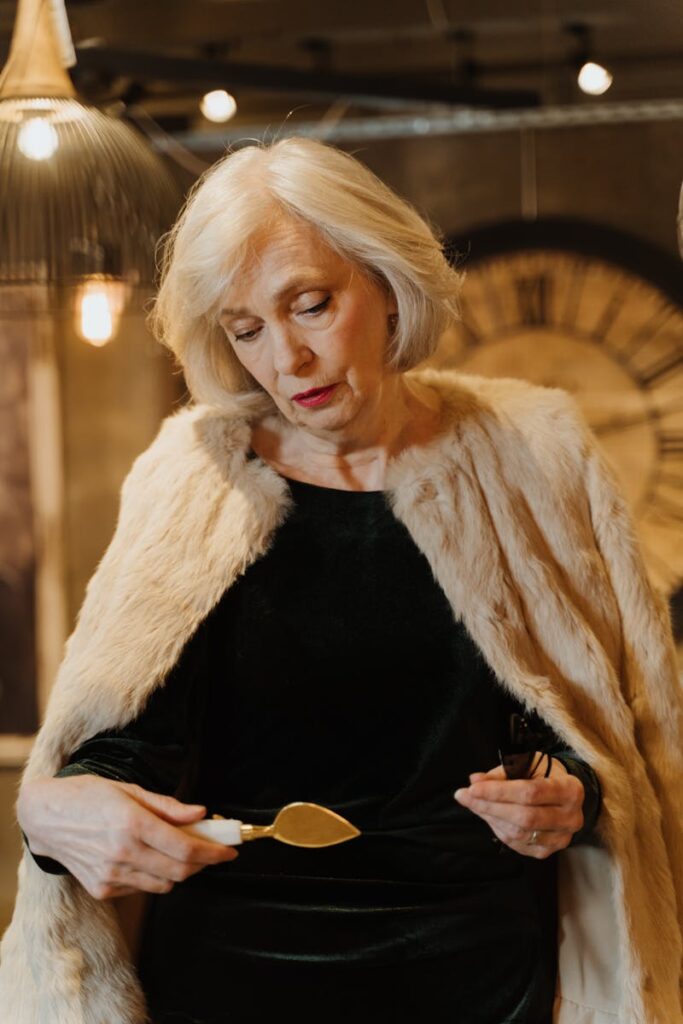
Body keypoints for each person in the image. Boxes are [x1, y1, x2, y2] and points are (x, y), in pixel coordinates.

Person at [1, 137, 682, 1024]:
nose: (287, 359)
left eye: (310, 305)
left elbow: (609, 726)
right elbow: (132, 738)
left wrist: (570, 796)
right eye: (246, 329)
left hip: (483, 982)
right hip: (232, 983)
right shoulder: (194, 477)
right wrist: (69, 805)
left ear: (387, 282)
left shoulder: (534, 458)